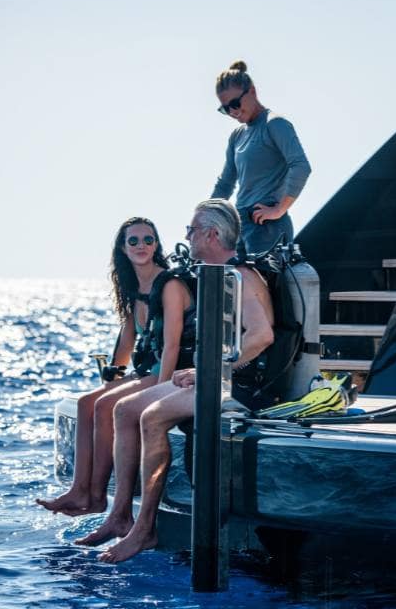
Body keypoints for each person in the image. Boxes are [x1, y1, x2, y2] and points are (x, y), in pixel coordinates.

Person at [75, 199, 275, 562]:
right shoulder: (213, 274)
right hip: (214, 377)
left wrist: (211, 369)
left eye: (192, 230)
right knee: (122, 409)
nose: (187, 236)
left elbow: (261, 335)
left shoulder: (240, 276)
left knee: (151, 417)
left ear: (211, 234)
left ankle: (145, 530)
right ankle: (120, 515)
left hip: (240, 385)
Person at [35, 217, 195, 516]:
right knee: (87, 403)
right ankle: (78, 490)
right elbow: (126, 341)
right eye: (133, 241)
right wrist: (115, 376)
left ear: (156, 244)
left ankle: (97, 497)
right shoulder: (134, 288)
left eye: (148, 240)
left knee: (107, 405)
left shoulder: (170, 284)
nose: (141, 246)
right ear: (123, 248)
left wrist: (162, 391)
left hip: (168, 371)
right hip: (147, 369)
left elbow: (172, 345)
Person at [212, 60, 311, 255]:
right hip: (239, 228)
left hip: (267, 228)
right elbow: (226, 184)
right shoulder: (237, 135)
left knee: (265, 285)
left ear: (252, 91)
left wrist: (279, 210)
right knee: (236, 285)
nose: (232, 111)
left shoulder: (275, 124)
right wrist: (205, 216)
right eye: (225, 108)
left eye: (235, 103)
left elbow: (301, 166)